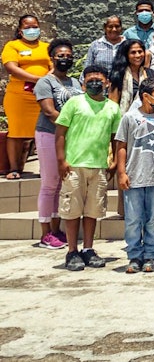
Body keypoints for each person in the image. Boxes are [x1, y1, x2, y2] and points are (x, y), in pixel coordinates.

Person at [55, 65, 122, 271]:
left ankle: (88, 249)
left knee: (93, 210)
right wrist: (61, 160)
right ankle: (72, 251)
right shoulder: (74, 103)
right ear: (83, 83)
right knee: (72, 210)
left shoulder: (113, 108)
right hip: (74, 165)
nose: (95, 83)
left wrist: (114, 161)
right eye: (91, 79)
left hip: (99, 166)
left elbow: (115, 138)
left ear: (107, 83)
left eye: (99, 80)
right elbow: (60, 133)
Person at [114, 77, 154, 274]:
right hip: (134, 176)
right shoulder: (129, 118)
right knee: (133, 219)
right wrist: (121, 172)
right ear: (145, 96)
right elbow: (121, 146)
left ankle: (150, 255)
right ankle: (134, 255)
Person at [34, 38, 82, 248]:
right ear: (52, 57)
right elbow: (48, 110)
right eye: (61, 56)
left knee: (62, 185)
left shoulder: (75, 83)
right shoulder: (45, 82)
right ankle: (45, 233)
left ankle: (57, 229)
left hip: (70, 137)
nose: (65, 59)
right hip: (49, 134)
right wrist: (70, 126)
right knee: (49, 184)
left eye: (69, 56)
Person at [2, 14, 51, 179]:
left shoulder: (46, 46)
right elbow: (11, 67)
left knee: (44, 132)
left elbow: (54, 65)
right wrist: (37, 79)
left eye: (35, 27)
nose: (32, 30)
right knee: (16, 132)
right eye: (28, 27)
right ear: (20, 30)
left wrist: (45, 80)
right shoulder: (12, 45)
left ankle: (45, 168)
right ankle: (14, 169)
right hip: (19, 96)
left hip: (42, 96)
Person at [108, 39, 151, 112]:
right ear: (125, 55)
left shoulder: (149, 74)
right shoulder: (118, 75)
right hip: (123, 119)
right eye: (133, 52)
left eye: (140, 52)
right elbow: (113, 105)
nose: (138, 55)